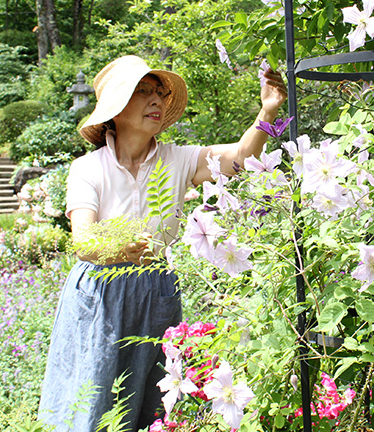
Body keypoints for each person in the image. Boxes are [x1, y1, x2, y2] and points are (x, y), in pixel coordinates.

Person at [38, 55, 287, 431]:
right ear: (116, 109)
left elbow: (239, 159)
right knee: (93, 397)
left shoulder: (178, 159)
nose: (157, 100)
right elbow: (84, 241)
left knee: (154, 403)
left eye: (159, 93)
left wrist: (267, 112)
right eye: (143, 92)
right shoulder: (88, 168)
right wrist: (119, 250)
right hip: (100, 296)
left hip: (155, 290)